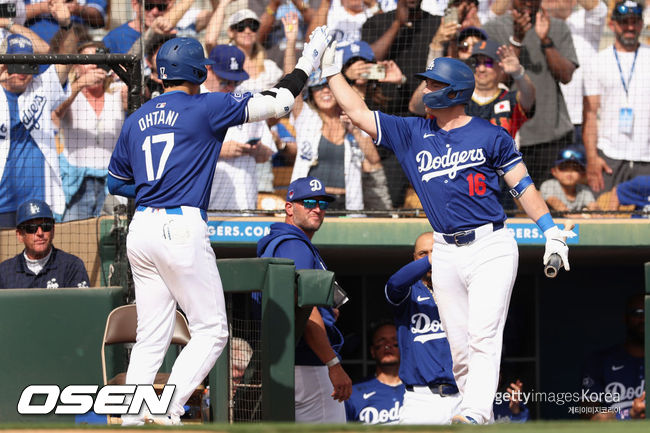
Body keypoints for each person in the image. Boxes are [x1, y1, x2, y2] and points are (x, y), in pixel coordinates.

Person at [321, 45, 576, 423]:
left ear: (453, 91)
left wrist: (550, 230)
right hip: (444, 248)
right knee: (460, 349)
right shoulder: (411, 132)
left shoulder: (491, 135)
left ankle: (474, 411)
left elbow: (522, 186)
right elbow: (357, 112)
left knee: (482, 336)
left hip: (491, 243)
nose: (425, 88)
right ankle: (477, 415)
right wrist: (331, 71)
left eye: (432, 82)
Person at [107, 27, 331, 425]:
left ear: (161, 73)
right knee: (212, 330)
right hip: (180, 224)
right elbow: (280, 102)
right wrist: (307, 61)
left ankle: (133, 415)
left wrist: (153, 187)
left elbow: (114, 181)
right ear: (198, 73)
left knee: (152, 334)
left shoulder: (137, 117)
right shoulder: (206, 106)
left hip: (141, 228)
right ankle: (168, 408)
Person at [256, 176, 352, 422]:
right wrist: (333, 363)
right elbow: (305, 310)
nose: (317, 209)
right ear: (289, 207)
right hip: (308, 366)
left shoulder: (279, 243)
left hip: (285, 364)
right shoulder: (294, 245)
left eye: (322, 204)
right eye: (308, 202)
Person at [483, 0, 578, 184]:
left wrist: (546, 41)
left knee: (550, 204)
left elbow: (566, 75)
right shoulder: (493, 28)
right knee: (510, 208)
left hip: (552, 136)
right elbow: (495, 81)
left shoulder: (557, 26)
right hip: (508, 139)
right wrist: (517, 40)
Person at [384, 232, 461, 424]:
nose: (431, 257)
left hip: (464, 396)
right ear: (415, 258)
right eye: (423, 253)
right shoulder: (409, 293)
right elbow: (394, 284)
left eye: (435, 252)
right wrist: (431, 259)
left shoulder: (462, 287)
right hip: (422, 400)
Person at [53, 40, 127, 221]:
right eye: (87, 59)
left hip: (113, 183)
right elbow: (55, 113)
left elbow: (138, 95)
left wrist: (119, 71)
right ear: (76, 67)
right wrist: (78, 85)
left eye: (99, 58)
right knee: (73, 238)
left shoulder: (118, 92)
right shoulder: (68, 94)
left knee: (114, 241)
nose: (94, 63)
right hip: (78, 184)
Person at [0, 33, 68, 227]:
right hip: (2, 203)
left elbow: (66, 59)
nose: (23, 71)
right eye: (17, 63)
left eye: (29, 64)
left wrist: (66, 26)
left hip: (36, 202)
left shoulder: (40, 87)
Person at [583, 0, 650, 195]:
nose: (629, 27)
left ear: (641, 24)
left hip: (646, 157)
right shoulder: (597, 62)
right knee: (604, 219)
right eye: (624, 22)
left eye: (634, 21)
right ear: (612, 24)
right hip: (609, 157)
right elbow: (590, 113)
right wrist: (592, 157)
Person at [202, 44, 276, 214]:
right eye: (224, 81)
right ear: (208, 69)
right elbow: (179, 150)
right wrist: (219, 150)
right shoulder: (193, 99)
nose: (230, 87)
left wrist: (256, 151)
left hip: (245, 205)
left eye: (236, 81)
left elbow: (266, 155)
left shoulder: (245, 98)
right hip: (208, 207)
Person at [543, 0, 607, 148]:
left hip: (578, 121)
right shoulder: (531, 21)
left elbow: (598, 9)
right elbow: (495, 13)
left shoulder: (585, 22)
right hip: (542, 122)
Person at [581, 294, 646, 420]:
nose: (643, 318)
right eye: (637, 313)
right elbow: (588, 416)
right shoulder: (599, 361)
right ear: (625, 318)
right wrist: (629, 415)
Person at [0, 199, 89, 289]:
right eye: (31, 228)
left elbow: (82, 302)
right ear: (20, 235)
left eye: (46, 226)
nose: (40, 233)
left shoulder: (72, 266)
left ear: (53, 231)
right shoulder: (5, 271)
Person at [344, 321, 405, 424]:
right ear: (372, 351)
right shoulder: (353, 394)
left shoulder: (420, 390)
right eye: (381, 342)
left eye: (395, 342)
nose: (388, 346)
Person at [540, 145, 598, 213]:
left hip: (574, 222)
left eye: (575, 169)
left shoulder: (584, 190)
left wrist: (596, 214)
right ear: (554, 172)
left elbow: (595, 209)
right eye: (564, 168)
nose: (569, 173)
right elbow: (559, 207)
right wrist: (581, 217)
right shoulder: (548, 185)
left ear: (582, 174)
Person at [25, 0, 106, 43]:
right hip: (34, 45)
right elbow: (14, 14)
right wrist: (45, 6)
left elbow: (99, 18)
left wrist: (77, 9)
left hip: (75, 45)